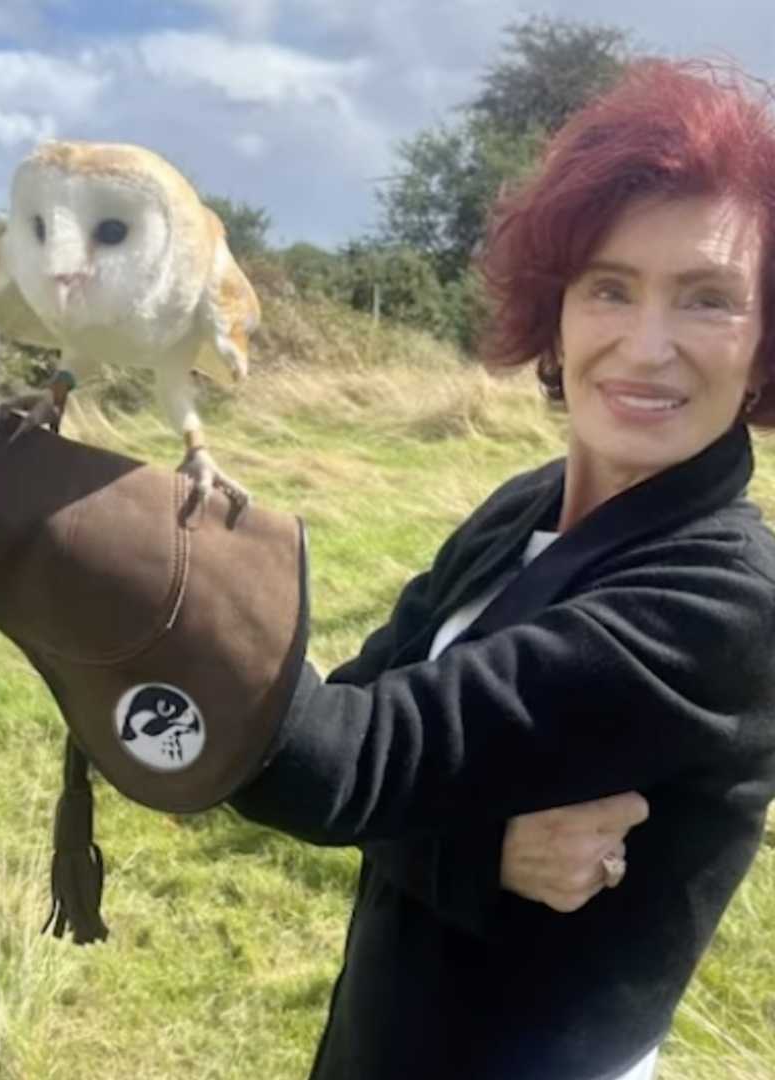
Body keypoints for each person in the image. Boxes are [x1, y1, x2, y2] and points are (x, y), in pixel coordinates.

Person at [219, 58, 775, 1078]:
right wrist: (476, 850)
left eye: (707, 300)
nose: (646, 347)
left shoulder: (726, 600)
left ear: (765, 342)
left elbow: (333, 766)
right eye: (611, 287)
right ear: (557, 314)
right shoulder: (524, 505)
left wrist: (99, 569)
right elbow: (350, 713)